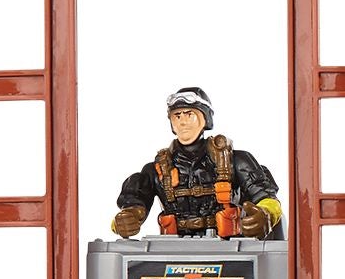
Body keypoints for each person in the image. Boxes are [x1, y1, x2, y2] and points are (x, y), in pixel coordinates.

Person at [108, 86, 283, 241]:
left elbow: (266, 197)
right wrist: (124, 221)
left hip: (228, 248)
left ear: (205, 118)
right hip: (173, 252)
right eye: (177, 116)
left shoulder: (234, 160)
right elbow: (133, 205)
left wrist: (266, 215)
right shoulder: (157, 169)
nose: (182, 121)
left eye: (189, 114)